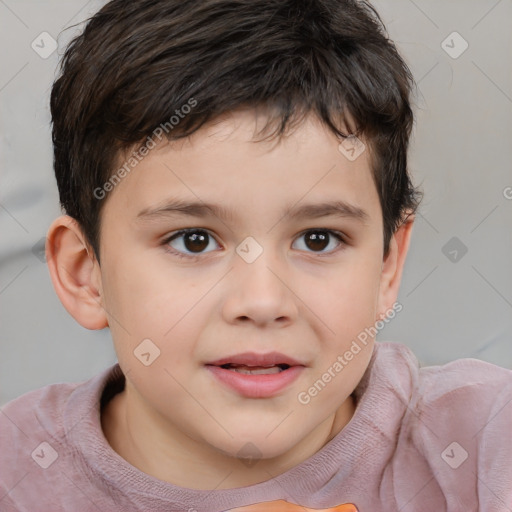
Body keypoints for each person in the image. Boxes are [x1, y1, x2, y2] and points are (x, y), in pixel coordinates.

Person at [1, 1, 511, 510]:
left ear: (386, 266)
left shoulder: (485, 440)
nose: (263, 301)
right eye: (193, 240)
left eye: (318, 239)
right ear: (85, 274)